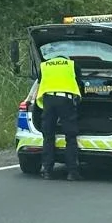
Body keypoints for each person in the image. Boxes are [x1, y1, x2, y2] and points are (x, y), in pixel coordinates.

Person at [36, 52, 84, 180]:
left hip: (48, 101)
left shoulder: (44, 65)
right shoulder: (72, 65)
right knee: (70, 136)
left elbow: (40, 82)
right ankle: (72, 172)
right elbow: (79, 83)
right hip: (65, 101)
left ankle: (47, 170)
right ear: (66, 59)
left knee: (48, 135)